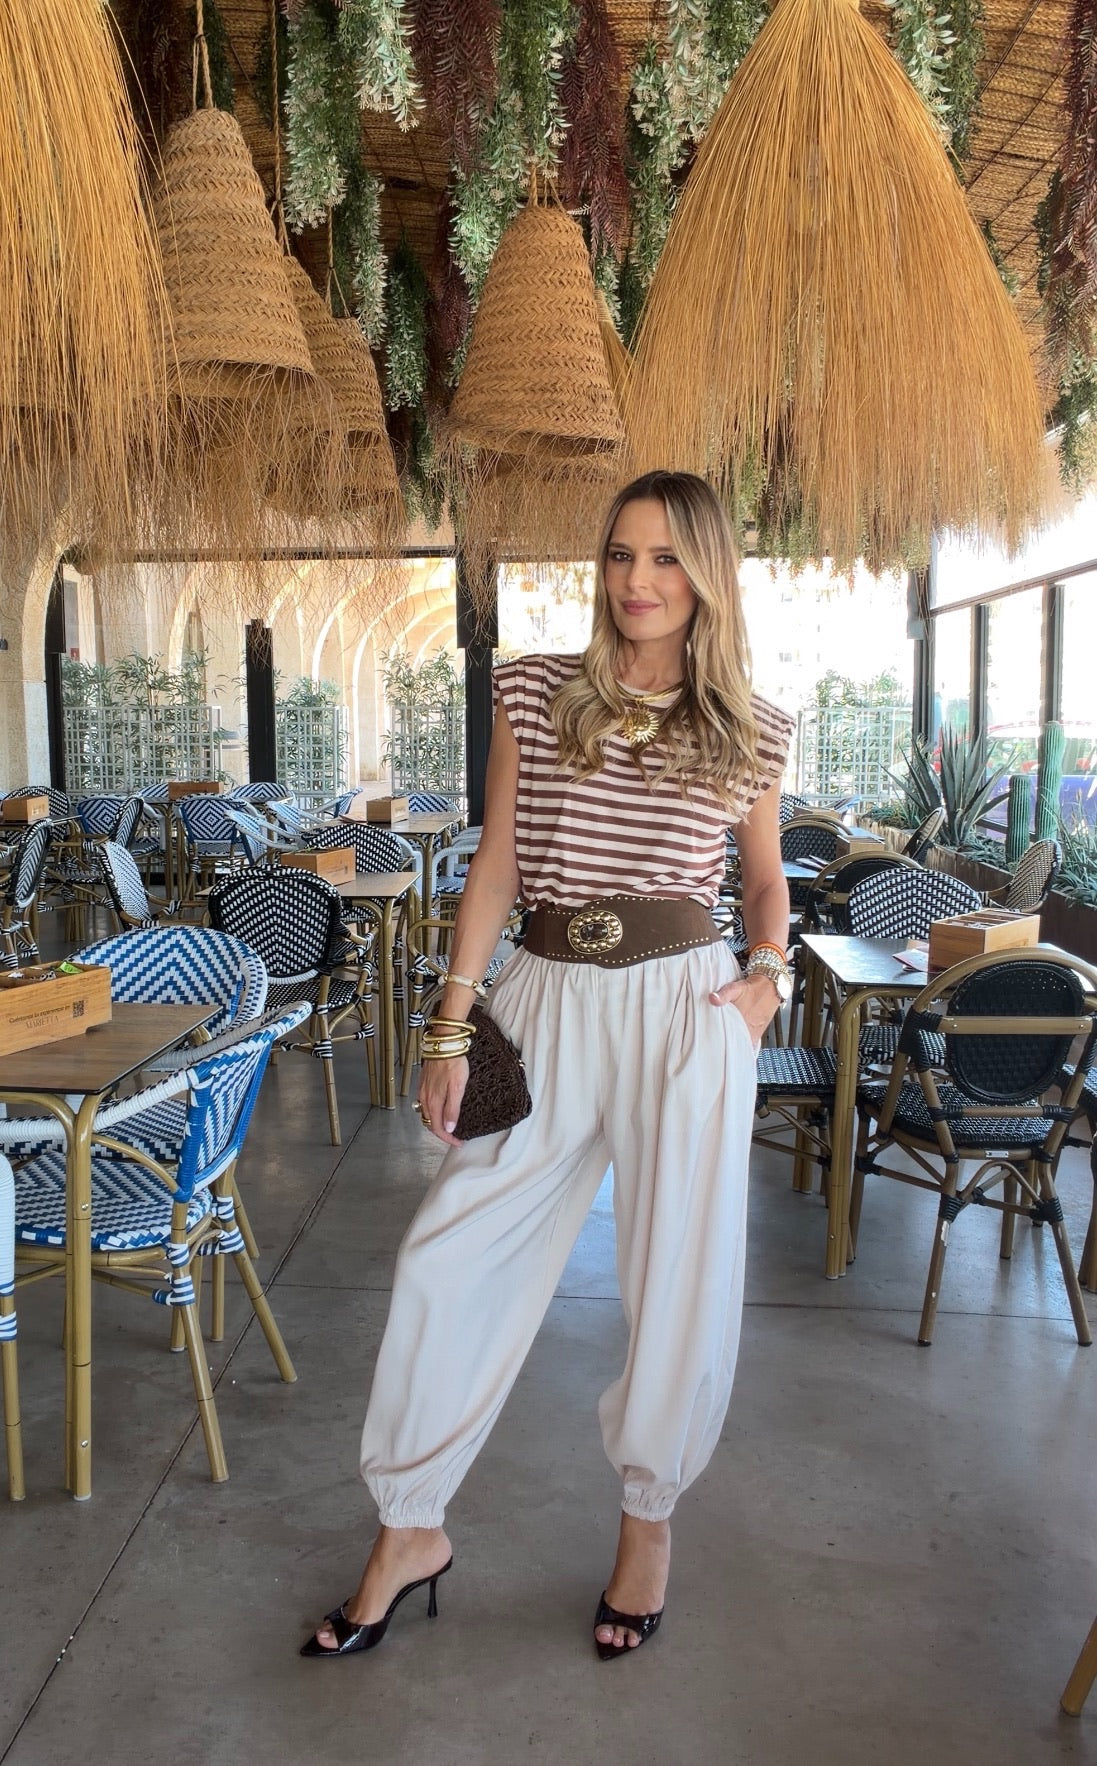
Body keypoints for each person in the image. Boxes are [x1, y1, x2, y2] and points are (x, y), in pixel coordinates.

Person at [302, 469, 794, 1663]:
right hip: (542, 991)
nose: (637, 580)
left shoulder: (751, 724)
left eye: (665, 558)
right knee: (447, 1251)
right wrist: (449, 1021)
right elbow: (496, 866)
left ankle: (646, 1522)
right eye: (620, 554)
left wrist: (765, 979)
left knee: (676, 1276)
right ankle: (410, 1525)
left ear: (705, 574)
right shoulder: (532, 691)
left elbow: (763, 876)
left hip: (685, 1005)